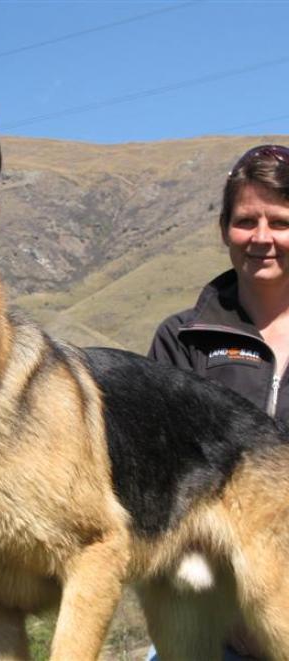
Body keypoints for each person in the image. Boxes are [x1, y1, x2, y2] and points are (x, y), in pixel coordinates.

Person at [147, 144, 289, 660]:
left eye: (280, 221)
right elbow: (163, 485)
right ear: (223, 228)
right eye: (246, 221)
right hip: (209, 627)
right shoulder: (183, 340)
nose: (262, 239)